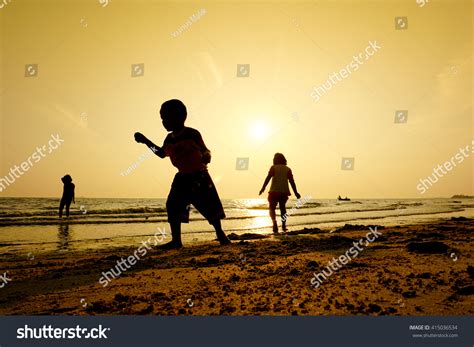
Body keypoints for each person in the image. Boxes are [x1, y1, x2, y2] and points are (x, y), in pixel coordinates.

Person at [134, 99, 231, 249]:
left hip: (199, 175)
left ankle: (220, 233)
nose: (163, 121)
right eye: (162, 118)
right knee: (173, 205)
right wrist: (146, 141)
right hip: (182, 177)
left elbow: (206, 149)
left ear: (181, 117)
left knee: (208, 205)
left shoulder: (192, 134)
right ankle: (176, 241)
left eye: (166, 117)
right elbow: (161, 153)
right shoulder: (169, 139)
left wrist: (207, 155)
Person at [259, 153, 301, 233]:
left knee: (272, 208)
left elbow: (268, 178)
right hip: (284, 192)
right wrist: (296, 192)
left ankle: (274, 223)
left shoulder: (273, 168)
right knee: (283, 209)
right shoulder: (288, 169)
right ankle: (284, 225)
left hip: (274, 191)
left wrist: (263, 187)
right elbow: (292, 182)